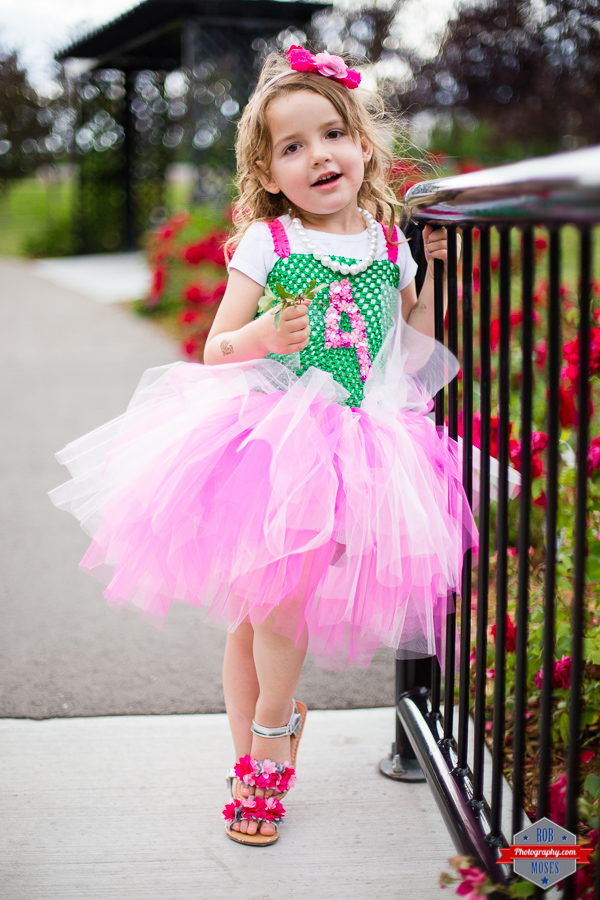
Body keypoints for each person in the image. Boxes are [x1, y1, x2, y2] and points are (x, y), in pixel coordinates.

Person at [50, 46, 477, 848]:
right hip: (273, 442)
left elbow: (413, 354)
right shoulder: (270, 246)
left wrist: (434, 286)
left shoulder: (390, 245)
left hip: (358, 442)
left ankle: (268, 739)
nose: (319, 155)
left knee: (274, 608)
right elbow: (214, 348)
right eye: (293, 146)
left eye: (333, 134)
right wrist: (261, 332)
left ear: (363, 145)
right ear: (270, 172)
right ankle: (258, 754)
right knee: (259, 613)